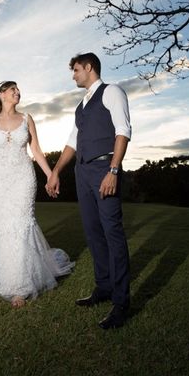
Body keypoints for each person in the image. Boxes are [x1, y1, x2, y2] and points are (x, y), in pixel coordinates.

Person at [46, 53, 131, 329]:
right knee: (94, 234)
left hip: (104, 169)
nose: (73, 75)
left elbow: (123, 131)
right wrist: (57, 171)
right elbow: (72, 142)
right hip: (82, 173)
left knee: (112, 234)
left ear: (89, 68)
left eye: (76, 70)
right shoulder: (81, 105)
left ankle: (121, 303)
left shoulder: (112, 92)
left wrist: (114, 170)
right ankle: (103, 288)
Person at [0, 81, 74, 308]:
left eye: (18, 90)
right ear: (1, 94)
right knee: (2, 226)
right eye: (12, 90)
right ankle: (6, 278)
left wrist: (51, 175)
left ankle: (21, 286)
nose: (17, 93)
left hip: (23, 180)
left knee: (20, 225)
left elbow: (36, 151)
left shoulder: (27, 119)